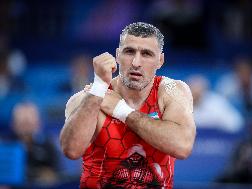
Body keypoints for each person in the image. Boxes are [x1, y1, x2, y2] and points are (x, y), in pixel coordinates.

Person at [60, 22, 196, 189]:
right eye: (129, 51)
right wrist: (98, 89)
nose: (136, 63)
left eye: (146, 54)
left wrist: (120, 110)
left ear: (160, 61)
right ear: (117, 55)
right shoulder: (90, 97)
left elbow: (182, 146)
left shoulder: (170, 91)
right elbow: (71, 150)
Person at [10, 102, 59, 186]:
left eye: (29, 123)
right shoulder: (5, 145)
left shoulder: (48, 145)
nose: (26, 127)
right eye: (22, 123)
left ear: (39, 124)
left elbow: (56, 174)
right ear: (13, 124)